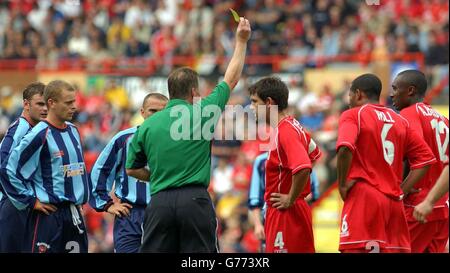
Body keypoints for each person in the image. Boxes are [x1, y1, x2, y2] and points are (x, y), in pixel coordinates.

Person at [125, 17, 251, 253]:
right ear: (194, 92)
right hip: (195, 202)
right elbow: (231, 78)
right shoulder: (202, 111)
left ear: (170, 93)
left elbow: (131, 169)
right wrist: (241, 41)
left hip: (159, 202)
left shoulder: (148, 125)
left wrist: (161, 176)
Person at [336, 73, 436, 253]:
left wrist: (342, 184)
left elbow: (344, 147)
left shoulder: (353, 115)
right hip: (395, 204)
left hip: (366, 197)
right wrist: (402, 190)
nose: (348, 99)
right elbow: (426, 159)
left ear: (358, 94)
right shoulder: (400, 120)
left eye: (349, 94)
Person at [0, 80, 90, 253]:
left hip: (73, 215)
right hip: (47, 215)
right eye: (69, 103)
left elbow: (76, 170)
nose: (74, 107)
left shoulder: (73, 130)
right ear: (52, 103)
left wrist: (76, 198)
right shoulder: (37, 133)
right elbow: (7, 170)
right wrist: (30, 201)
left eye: (74, 102)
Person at [249, 76, 321, 253]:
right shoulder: (293, 126)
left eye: (254, 102)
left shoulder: (285, 131)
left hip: (285, 213)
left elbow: (304, 165)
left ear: (268, 102)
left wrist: (290, 197)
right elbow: (314, 152)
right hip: (294, 210)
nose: (251, 108)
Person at [90, 93, 168, 253]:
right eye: (153, 111)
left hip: (163, 214)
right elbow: (101, 170)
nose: (158, 116)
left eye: (163, 112)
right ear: (142, 112)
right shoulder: (124, 139)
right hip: (130, 213)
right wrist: (107, 204)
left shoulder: (175, 142)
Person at [391, 70, 449, 253]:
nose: (391, 94)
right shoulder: (443, 119)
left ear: (410, 90)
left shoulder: (409, 114)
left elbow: (419, 153)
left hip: (418, 204)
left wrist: (402, 190)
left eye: (395, 88)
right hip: (442, 205)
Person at [0, 82, 47, 252]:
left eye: (47, 104)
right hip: (15, 205)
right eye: (40, 104)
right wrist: (24, 198)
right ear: (26, 104)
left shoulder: (37, 130)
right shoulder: (20, 129)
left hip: (26, 205)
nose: (45, 109)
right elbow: (2, 167)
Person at [248, 152, 268, 253]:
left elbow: (312, 192)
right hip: (268, 218)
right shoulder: (261, 160)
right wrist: (258, 224)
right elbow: (255, 196)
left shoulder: (296, 156)